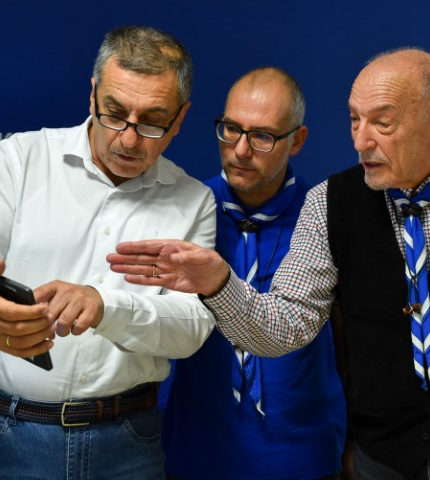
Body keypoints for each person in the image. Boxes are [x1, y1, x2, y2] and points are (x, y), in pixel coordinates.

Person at [107, 48, 430, 480]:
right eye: (353, 120)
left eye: (382, 123)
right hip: (385, 461)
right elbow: (286, 325)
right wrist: (219, 283)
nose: (361, 141)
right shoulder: (329, 202)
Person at [0, 25, 217, 479]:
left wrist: (106, 308)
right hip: (2, 435)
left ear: (180, 118)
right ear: (92, 95)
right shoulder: (20, 160)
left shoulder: (193, 200)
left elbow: (191, 327)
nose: (129, 140)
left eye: (153, 121)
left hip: (128, 444)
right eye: (115, 113)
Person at [161, 66, 346, 479]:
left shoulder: (324, 215)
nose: (240, 150)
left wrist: (356, 441)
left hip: (305, 457)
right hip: (197, 454)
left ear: (297, 140)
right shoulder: (186, 209)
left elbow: (350, 338)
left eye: (262, 136)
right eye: (230, 129)